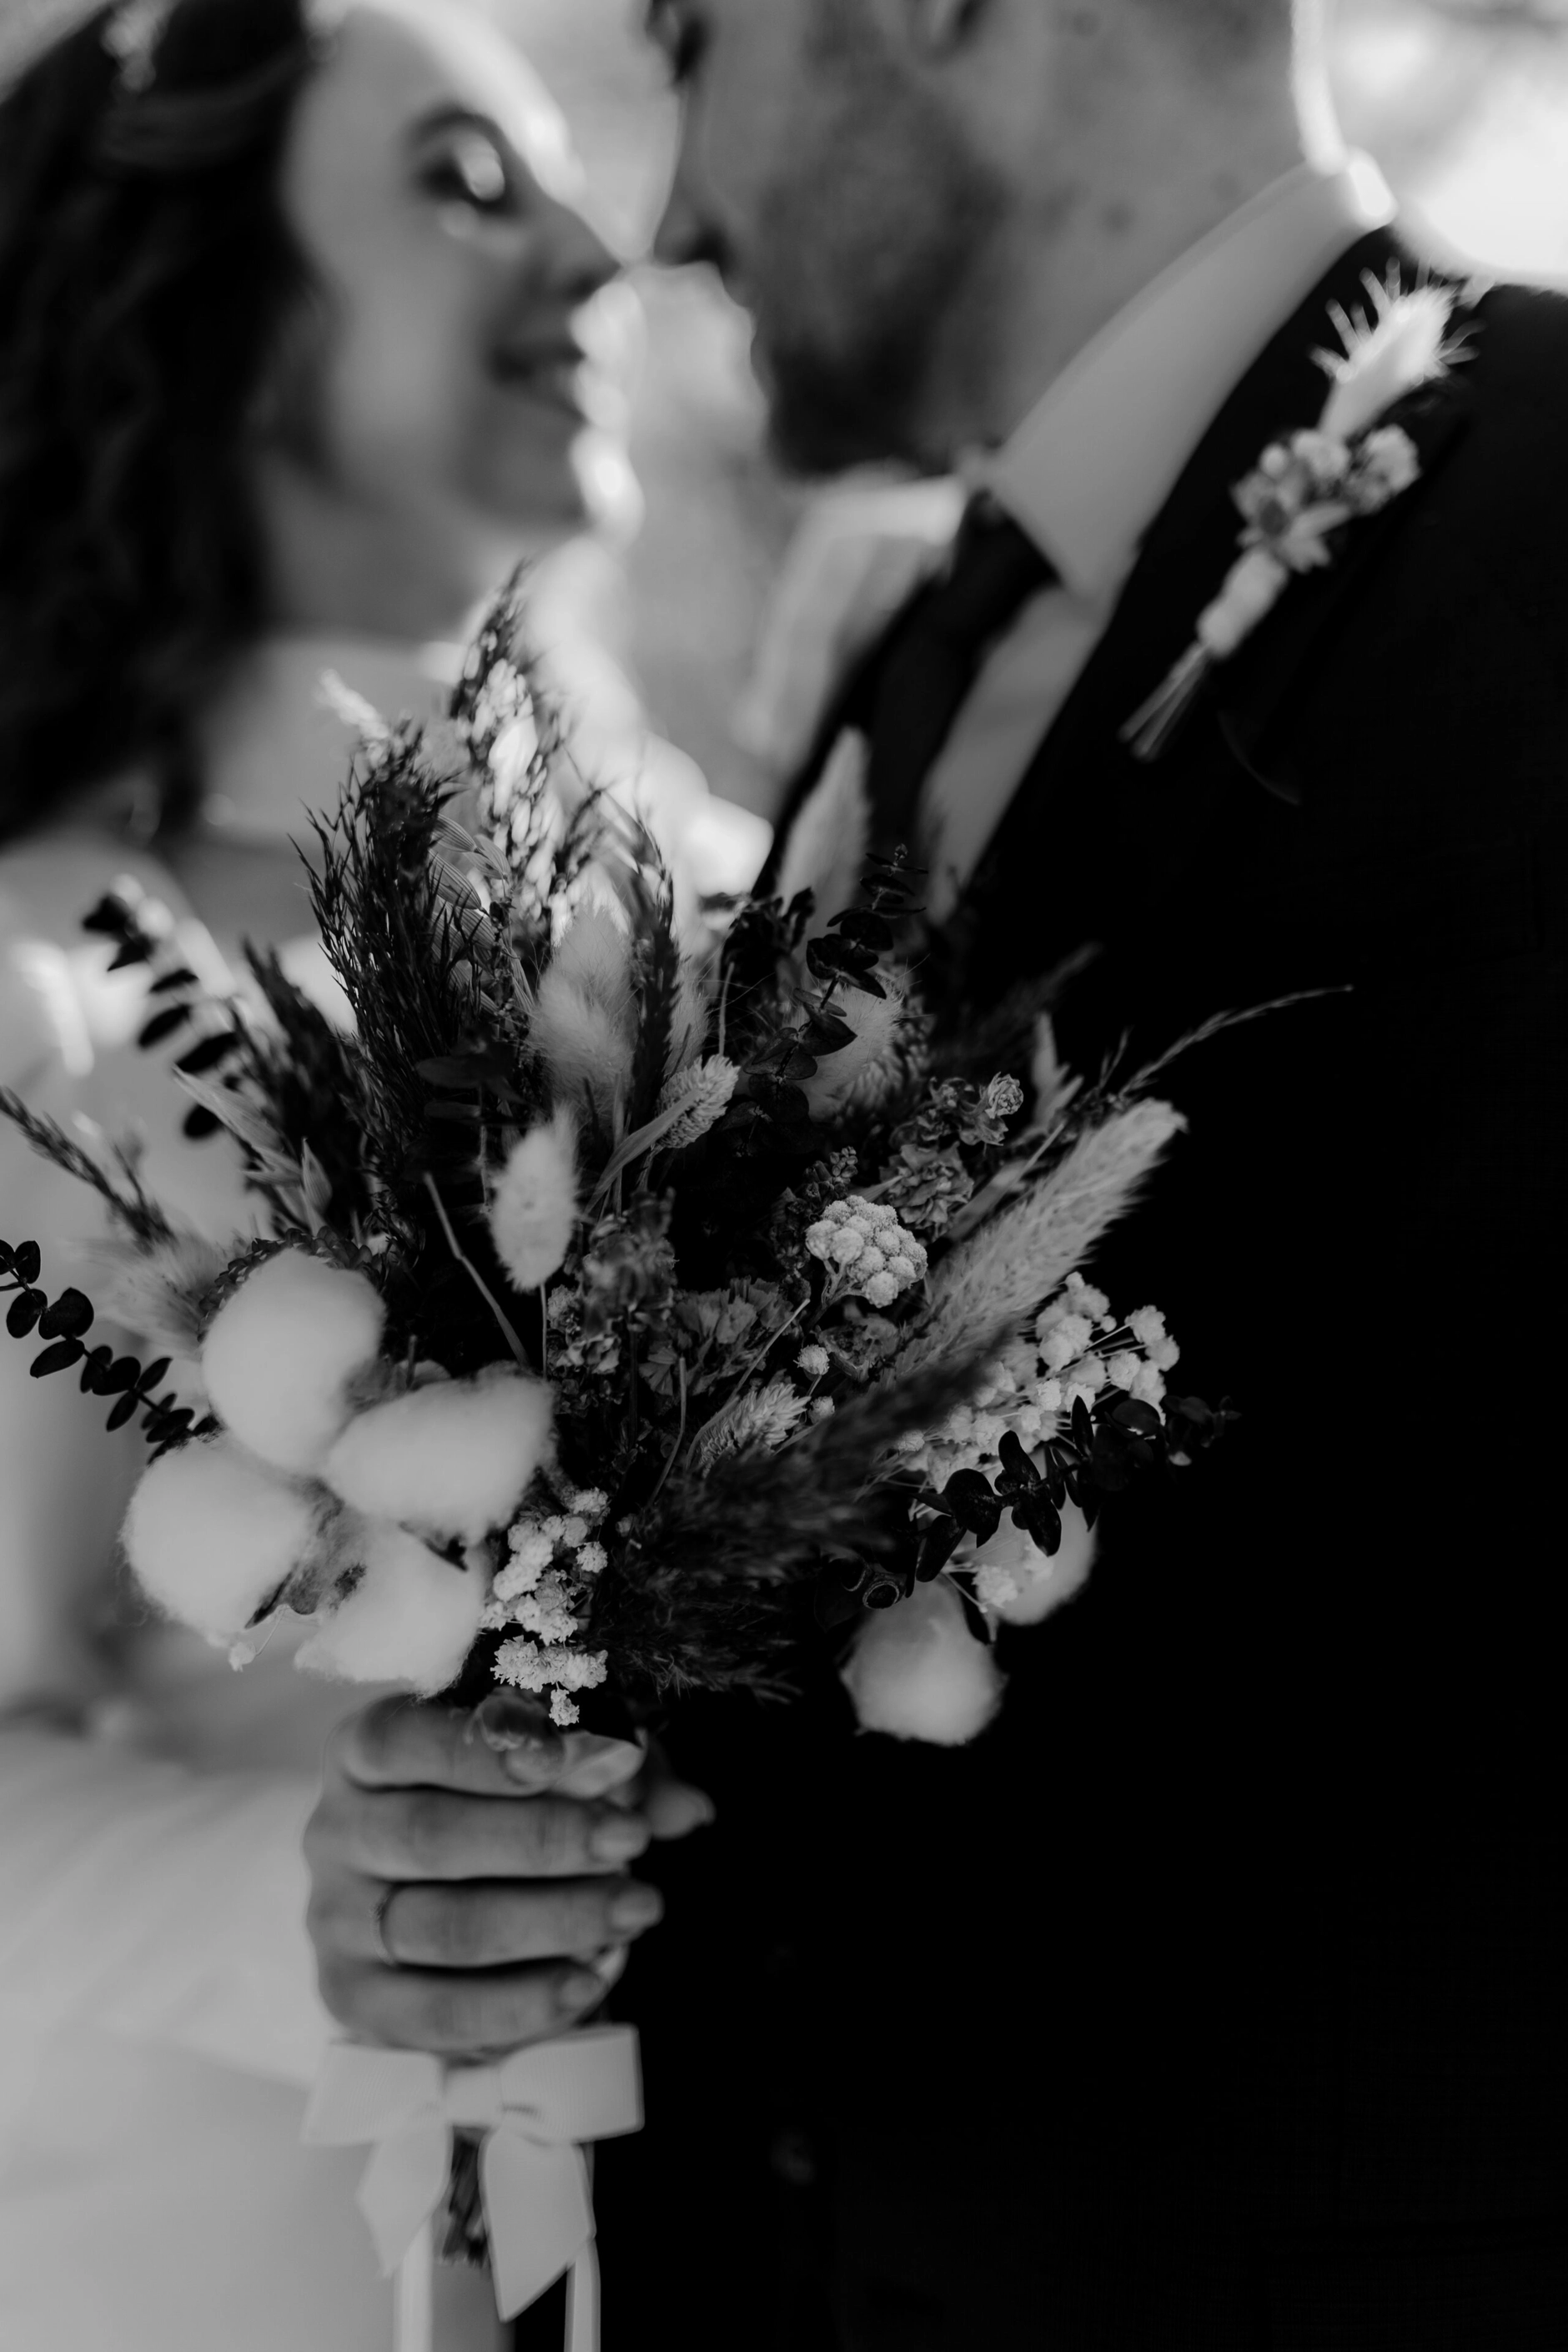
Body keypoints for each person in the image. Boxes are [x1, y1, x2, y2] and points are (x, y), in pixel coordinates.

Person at [306, 1, 1567, 2344]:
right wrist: (494, 1835)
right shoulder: (917, 657)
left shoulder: (1550, 512)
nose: (676, 218)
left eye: (696, 37)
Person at [0, 3, 712, 2345]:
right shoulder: (38, 997)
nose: (613, 248)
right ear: (214, 301)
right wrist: (310, 1902)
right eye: (464, 183)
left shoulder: (732, 927)